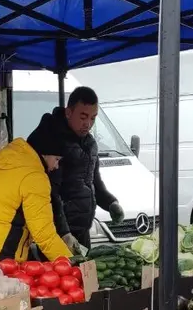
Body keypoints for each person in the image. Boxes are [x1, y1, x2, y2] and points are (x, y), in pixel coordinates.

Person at [27, 87, 124, 249]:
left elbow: (93, 182)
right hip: (54, 234)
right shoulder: (50, 140)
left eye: (93, 118)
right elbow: (50, 193)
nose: (88, 124)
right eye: (83, 117)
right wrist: (64, 233)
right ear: (68, 113)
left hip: (82, 230)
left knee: (85, 273)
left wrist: (110, 203)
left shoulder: (89, 143)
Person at [0, 135, 74, 261]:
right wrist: (70, 262)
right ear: (44, 154)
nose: (56, 166)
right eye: (56, 159)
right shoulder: (34, 178)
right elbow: (43, 234)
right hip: (2, 254)